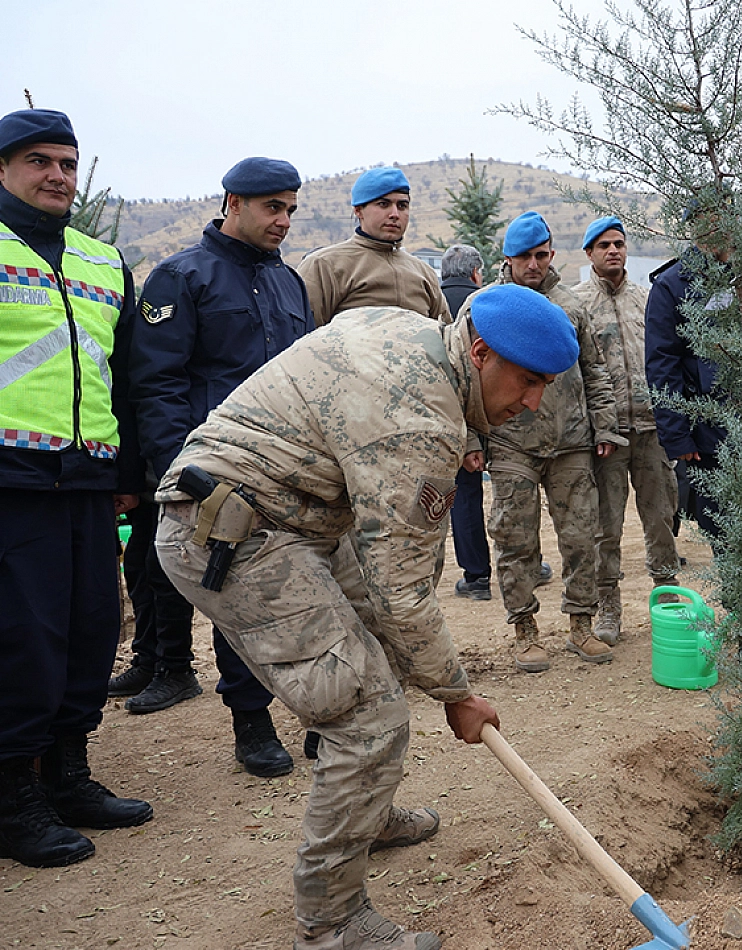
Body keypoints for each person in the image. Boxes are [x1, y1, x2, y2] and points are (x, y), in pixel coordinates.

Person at [152, 288, 564, 950]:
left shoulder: (416, 333)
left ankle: (363, 813)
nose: (534, 403)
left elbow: (392, 593)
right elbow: (403, 589)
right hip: (233, 535)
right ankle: (333, 923)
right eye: (529, 381)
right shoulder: (423, 420)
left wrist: (422, 662)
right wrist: (457, 695)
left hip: (291, 517)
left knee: (381, 653)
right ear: (480, 352)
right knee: (367, 716)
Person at [121, 157, 314, 778]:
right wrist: (179, 472)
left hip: (288, 470)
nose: (283, 220)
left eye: (290, 208)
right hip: (214, 473)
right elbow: (156, 383)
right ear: (233, 202)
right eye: (271, 207)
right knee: (234, 597)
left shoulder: (290, 285)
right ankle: (251, 724)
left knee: (305, 593)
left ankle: (320, 717)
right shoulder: (182, 278)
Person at [0, 108, 153, 869]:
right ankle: (12, 799)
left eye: (67, 162)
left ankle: (69, 774)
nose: (56, 175)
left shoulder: (101, 261)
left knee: (93, 626)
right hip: (11, 478)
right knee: (24, 641)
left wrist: (127, 475)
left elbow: (123, 375)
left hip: (90, 477)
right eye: (38, 161)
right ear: (4, 169)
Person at [465, 212, 622, 670]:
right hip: (510, 443)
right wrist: (472, 438)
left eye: (541, 255)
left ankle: (581, 625)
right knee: (515, 538)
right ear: (507, 258)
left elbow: (594, 369)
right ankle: (525, 630)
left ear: (551, 254)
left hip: (571, 440)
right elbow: (468, 378)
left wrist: (605, 424)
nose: (533, 264)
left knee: (580, 537)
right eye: (523, 256)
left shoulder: (571, 306)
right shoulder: (485, 306)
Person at [645, 199, 742, 544]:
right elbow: (662, 364)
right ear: (691, 226)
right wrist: (677, 436)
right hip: (711, 434)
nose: (714, 224)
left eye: (721, 215)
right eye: (703, 218)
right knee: (726, 533)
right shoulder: (672, 286)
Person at [571, 216, 680, 643]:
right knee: (606, 527)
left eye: (618, 244)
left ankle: (668, 599)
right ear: (589, 254)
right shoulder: (578, 304)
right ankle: (609, 609)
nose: (613, 251)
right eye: (603, 246)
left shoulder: (649, 299)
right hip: (607, 436)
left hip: (653, 428)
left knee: (661, 520)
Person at [296, 166, 449, 326]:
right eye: (383, 204)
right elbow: (303, 338)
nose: (394, 214)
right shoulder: (324, 265)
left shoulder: (424, 273)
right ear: (358, 210)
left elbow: (446, 338)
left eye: (402, 206)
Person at [438, 245, 493, 601]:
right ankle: (529, 567)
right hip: (489, 413)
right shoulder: (483, 304)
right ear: (475, 273)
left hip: (443, 415)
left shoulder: (430, 303)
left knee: (463, 496)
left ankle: (476, 577)